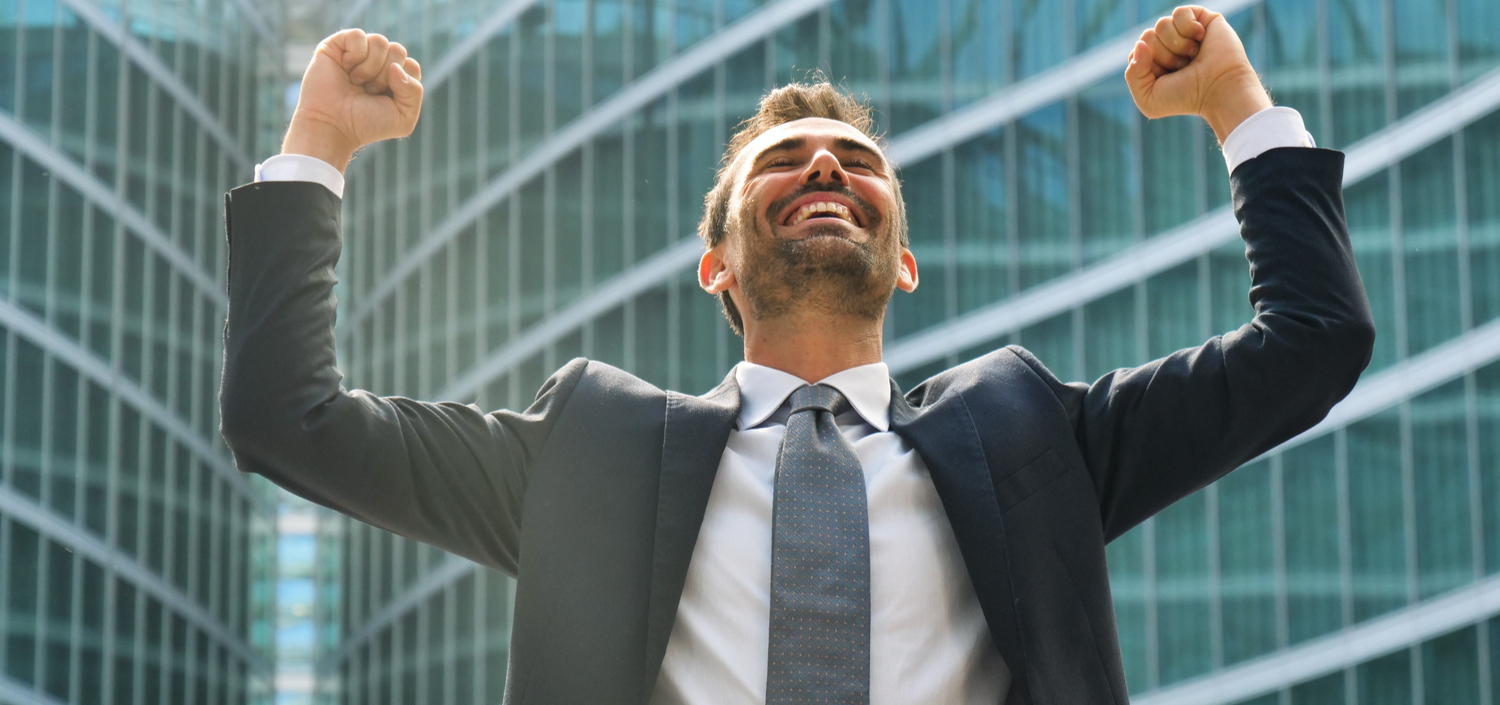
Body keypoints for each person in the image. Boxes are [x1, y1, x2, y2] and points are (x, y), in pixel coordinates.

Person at [220, 5, 1374, 704]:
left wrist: (1238, 105)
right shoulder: (592, 452)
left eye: (858, 161)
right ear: (715, 264)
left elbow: (1313, 345)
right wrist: (318, 141)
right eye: (786, 160)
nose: (827, 168)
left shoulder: (1032, 434)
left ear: (905, 259)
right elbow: (289, 418)